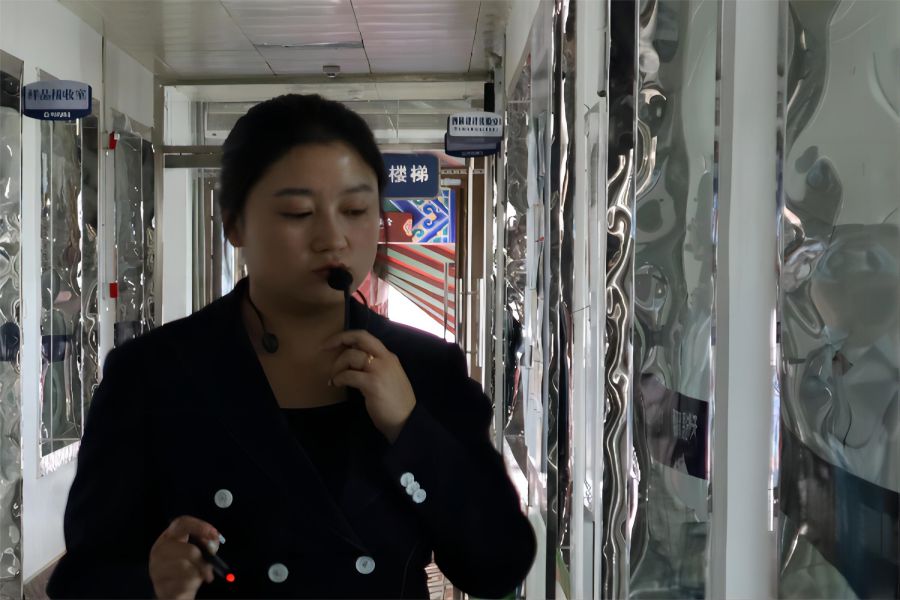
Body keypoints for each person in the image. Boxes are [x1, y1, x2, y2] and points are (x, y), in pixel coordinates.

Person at [46, 94, 536, 599]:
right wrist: (150, 584)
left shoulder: (426, 368)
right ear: (234, 223)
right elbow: (82, 580)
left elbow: (497, 565)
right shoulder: (153, 374)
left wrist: (409, 429)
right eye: (298, 212)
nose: (333, 237)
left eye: (355, 209)